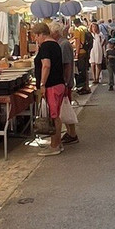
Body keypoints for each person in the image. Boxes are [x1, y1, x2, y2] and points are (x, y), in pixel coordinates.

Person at [31, 22, 68, 157]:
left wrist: (42, 84)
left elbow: (46, 65)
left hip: (51, 85)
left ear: (41, 34)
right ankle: (57, 142)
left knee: (53, 117)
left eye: (36, 36)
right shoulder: (55, 44)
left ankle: (54, 146)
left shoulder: (46, 46)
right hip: (58, 83)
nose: (36, 39)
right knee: (56, 116)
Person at [50, 22, 78, 145]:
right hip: (63, 81)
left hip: (64, 81)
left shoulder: (64, 44)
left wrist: (65, 82)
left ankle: (72, 133)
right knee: (65, 108)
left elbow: (66, 65)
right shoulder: (60, 43)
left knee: (65, 108)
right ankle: (72, 133)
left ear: (55, 32)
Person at [73, 18, 92, 94]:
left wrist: (76, 54)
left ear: (75, 24)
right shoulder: (85, 28)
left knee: (81, 71)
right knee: (85, 70)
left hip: (81, 52)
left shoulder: (77, 30)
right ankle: (87, 86)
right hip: (86, 50)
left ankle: (83, 87)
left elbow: (78, 42)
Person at [89, 20, 106, 86]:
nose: (94, 28)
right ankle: (94, 78)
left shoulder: (100, 34)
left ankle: (97, 78)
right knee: (92, 63)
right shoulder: (91, 34)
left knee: (98, 63)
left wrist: (101, 46)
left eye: (95, 27)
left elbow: (104, 40)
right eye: (93, 27)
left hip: (98, 49)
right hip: (92, 50)